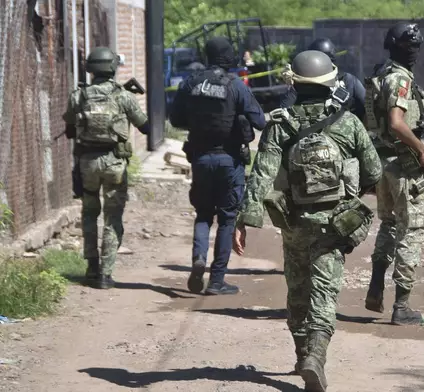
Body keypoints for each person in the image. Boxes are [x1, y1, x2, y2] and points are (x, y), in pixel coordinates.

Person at [233, 50, 381, 391]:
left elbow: (262, 175)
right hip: (335, 223)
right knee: (325, 292)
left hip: (294, 222)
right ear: (331, 81)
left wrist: (245, 220)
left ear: (294, 84)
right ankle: (316, 355)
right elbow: (374, 170)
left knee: (298, 290)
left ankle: (301, 353)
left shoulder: (280, 124)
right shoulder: (348, 123)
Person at [169, 37, 266, 295]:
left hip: (200, 158)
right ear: (228, 57)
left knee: (203, 214)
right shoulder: (235, 85)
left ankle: (198, 258)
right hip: (229, 160)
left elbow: (175, 118)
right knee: (226, 219)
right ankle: (216, 281)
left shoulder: (190, 83)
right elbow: (260, 121)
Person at [363, 22, 424, 326]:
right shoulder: (400, 79)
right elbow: (396, 122)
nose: (415, 53)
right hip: (403, 166)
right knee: (411, 229)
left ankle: (376, 287)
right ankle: (401, 306)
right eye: (412, 47)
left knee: (390, 224)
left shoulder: (380, 74)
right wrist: (422, 149)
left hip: (382, 163)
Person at [62, 47, 149, 289]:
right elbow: (146, 128)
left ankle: (91, 267)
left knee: (89, 214)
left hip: (87, 163)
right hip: (114, 164)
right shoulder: (123, 96)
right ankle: (105, 274)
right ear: (112, 67)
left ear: (90, 69)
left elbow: (70, 129)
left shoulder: (78, 96)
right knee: (113, 217)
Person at [279, 38, 366, 122]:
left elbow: (284, 111)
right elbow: (364, 107)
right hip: (343, 131)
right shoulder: (350, 80)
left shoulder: (301, 81)